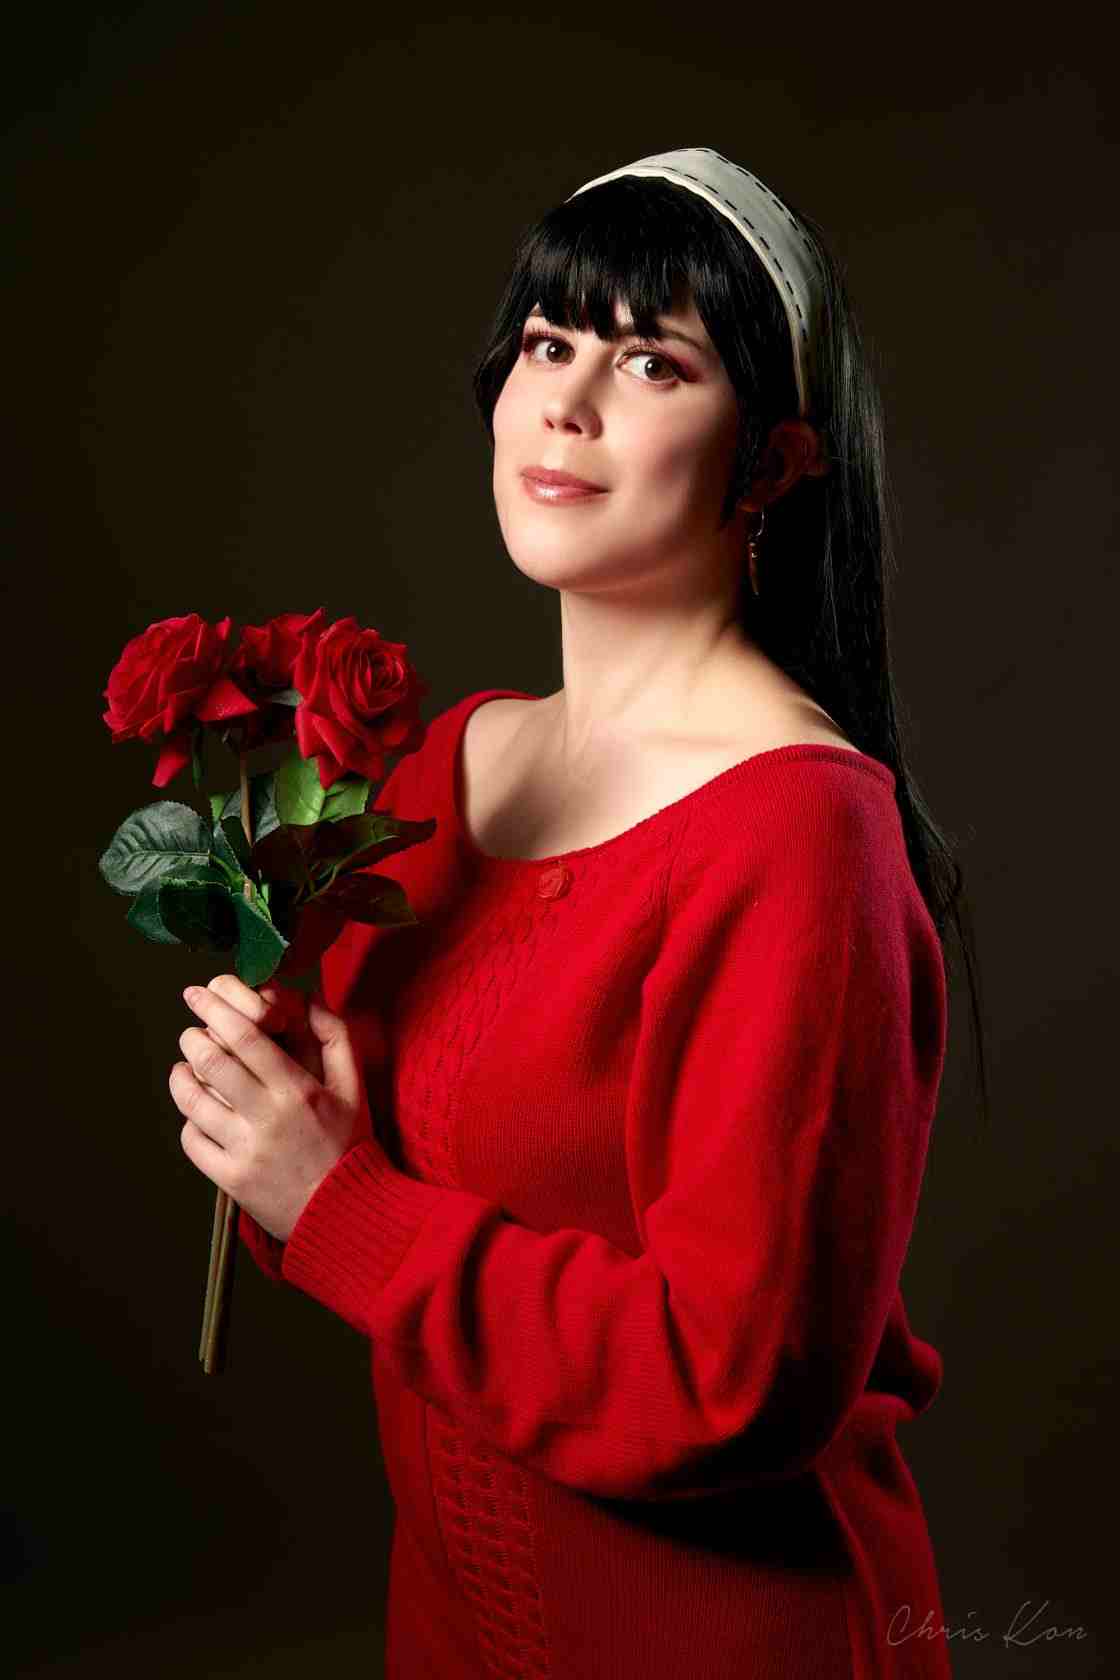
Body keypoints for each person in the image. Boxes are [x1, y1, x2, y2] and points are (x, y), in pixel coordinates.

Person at [182, 146, 990, 1678]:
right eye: (550, 343)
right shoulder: (455, 764)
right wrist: (287, 1125)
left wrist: (337, 1203)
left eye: (652, 362)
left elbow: (736, 1378)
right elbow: (403, 1202)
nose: (569, 402)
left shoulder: (799, 836)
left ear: (773, 462)